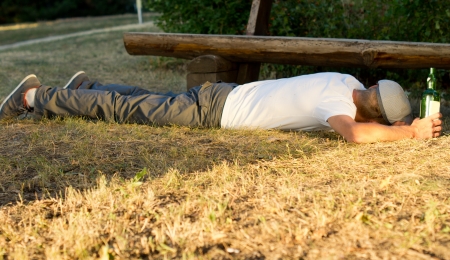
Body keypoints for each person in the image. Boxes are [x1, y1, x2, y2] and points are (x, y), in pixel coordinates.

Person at [0, 71, 442, 143]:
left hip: (229, 93)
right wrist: (410, 132)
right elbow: (357, 135)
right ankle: (34, 98)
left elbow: (371, 116)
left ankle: (86, 85)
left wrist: (400, 119)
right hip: (218, 113)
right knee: (127, 109)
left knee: (148, 100)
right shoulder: (336, 109)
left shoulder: (344, 84)